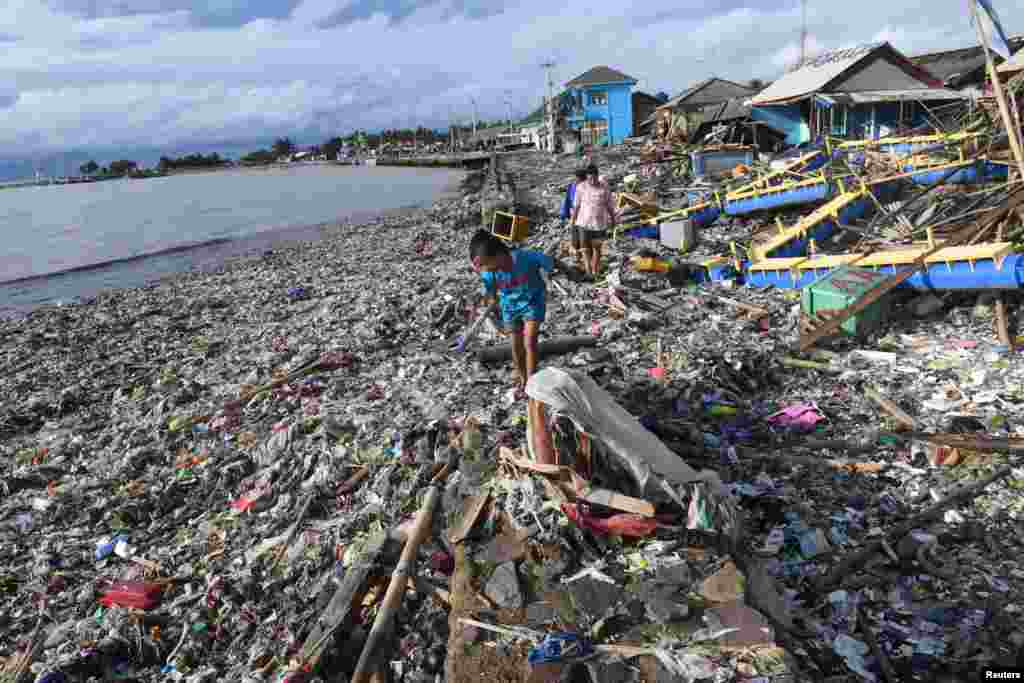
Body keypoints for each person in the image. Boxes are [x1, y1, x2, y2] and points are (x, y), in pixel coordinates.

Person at [470, 230, 554, 393]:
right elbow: (491, 293)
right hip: (509, 307)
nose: (487, 269)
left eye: (487, 264)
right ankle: (522, 377)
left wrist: (566, 271)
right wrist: (491, 301)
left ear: (499, 255)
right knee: (515, 346)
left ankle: (532, 382)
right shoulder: (490, 273)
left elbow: (551, 261)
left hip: (532, 302)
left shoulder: (525, 257)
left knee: (529, 341)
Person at [570, 163, 617, 279]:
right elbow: (576, 206)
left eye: (594, 178)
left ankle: (595, 271)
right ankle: (588, 271)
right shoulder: (581, 187)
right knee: (585, 249)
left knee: (597, 249)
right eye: (589, 178)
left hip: (599, 224)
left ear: (597, 175)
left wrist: (613, 219)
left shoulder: (604, 187)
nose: (592, 180)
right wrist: (572, 220)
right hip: (583, 223)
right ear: (586, 177)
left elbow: (609, 205)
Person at [561, 168, 589, 267]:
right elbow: (567, 200)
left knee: (583, 240)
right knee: (574, 238)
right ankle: (577, 259)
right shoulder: (572, 186)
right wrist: (564, 215)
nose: (576, 181)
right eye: (575, 179)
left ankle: (586, 263)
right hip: (574, 216)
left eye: (577, 179)